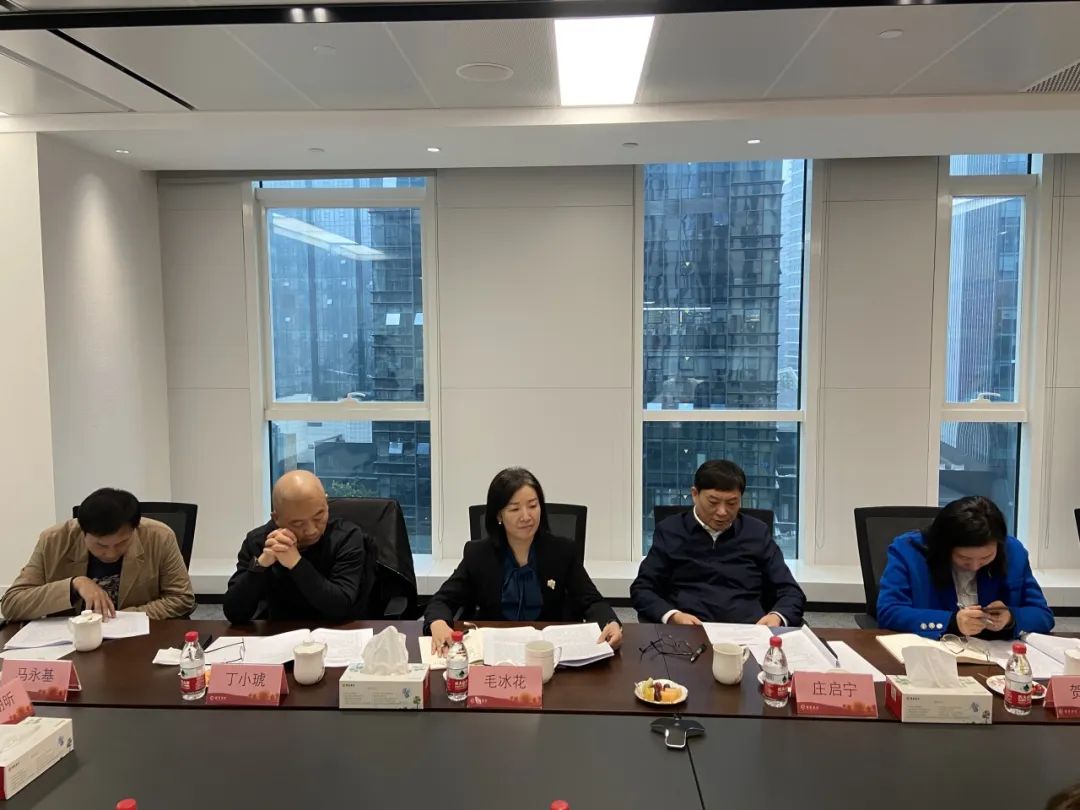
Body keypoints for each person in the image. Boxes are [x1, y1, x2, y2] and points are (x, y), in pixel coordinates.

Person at [426, 467, 622, 654]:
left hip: (550, 653)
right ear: (499, 515)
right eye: (514, 509)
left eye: (533, 506)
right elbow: (442, 600)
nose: (526, 516)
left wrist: (610, 623)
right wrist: (438, 623)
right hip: (496, 654)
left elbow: (592, 601)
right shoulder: (478, 554)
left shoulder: (562, 551)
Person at [631, 460, 806, 626]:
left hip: (749, 630)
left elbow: (791, 591)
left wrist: (777, 617)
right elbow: (643, 588)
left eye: (732, 503)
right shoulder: (671, 530)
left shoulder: (757, 533)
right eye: (713, 502)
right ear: (694, 494)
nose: (722, 512)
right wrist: (673, 616)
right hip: (689, 631)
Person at [1, 488, 195, 621]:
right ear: (82, 531)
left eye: (122, 543)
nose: (110, 553)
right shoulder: (54, 540)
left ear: (135, 529)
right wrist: (75, 584)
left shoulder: (159, 537)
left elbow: (181, 598)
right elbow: (12, 604)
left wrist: (123, 618)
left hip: (137, 641)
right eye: (100, 545)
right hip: (73, 643)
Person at [877, 495, 1053, 639]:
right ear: (945, 548)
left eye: (985, 558)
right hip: (932, 652)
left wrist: (1011, 618)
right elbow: (889, 611)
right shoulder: (908, 551)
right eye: (964, 558)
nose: (974, 566)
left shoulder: (1013, 552)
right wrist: (951, 622)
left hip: (995, 657)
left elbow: (1043, 615)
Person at [223, 470, 372, 624]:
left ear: (326, 503)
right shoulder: (259, 542)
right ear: (276, 518)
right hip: (279, 631)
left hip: (338, 630)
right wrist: (261, 565)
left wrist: (296, 563)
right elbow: (234, 614)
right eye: (298, 523)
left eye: (318, 516)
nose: (311, 530)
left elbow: (340, 607)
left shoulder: (346, 537)